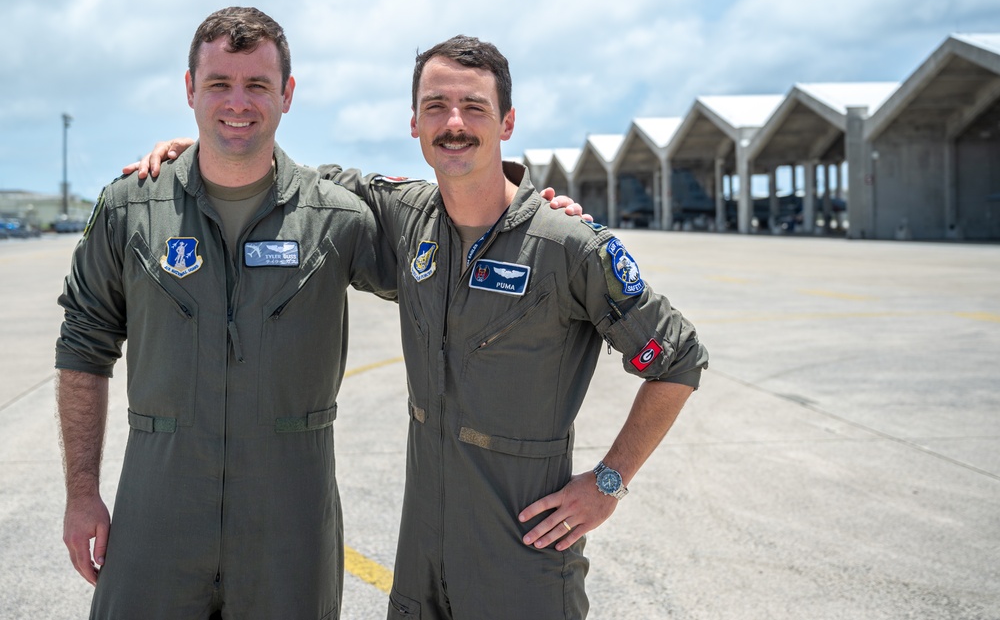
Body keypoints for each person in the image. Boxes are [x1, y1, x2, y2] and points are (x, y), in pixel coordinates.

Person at [136, 35, 709, 619]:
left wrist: (608, 483)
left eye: (474, 107)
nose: (454, 123)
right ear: (414, 123)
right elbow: (300, 179)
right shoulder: (406, 218)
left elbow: (679, 360)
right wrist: (209, 149)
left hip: (522, 563)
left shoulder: (566, 245)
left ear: (507, 122)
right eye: (436, 106)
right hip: (421, 564)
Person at [55, 6, 397, 619]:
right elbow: (82, 348)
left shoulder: (337, 219)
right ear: (190, 89)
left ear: (287, 94)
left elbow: (443, 259)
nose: (238, 102)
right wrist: (82, 493)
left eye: (257, 85)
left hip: (290, 526)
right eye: (219, 84)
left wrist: (531, 204)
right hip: (157, 518)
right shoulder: (129, 210)